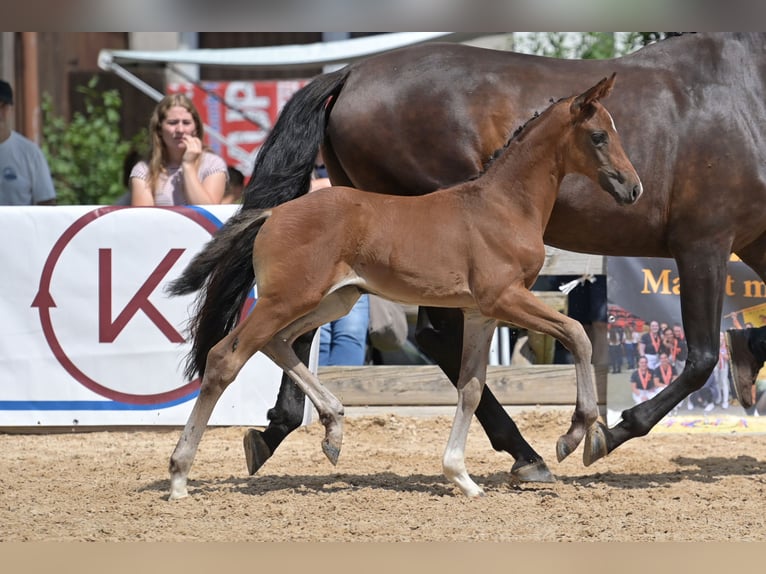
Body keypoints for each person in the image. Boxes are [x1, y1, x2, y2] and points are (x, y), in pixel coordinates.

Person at [308, 151, 370, 365]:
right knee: (319, 335)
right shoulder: (297, 161)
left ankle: (346, 396)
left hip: (354, 256)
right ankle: (318, 396)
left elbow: (363, 193)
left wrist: (318, 188)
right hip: (314, 258)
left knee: (351, 331)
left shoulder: (350, 156)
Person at [129, 93, 227, 206]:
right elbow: (143, 219)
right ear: (159, 128)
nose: (180, 129)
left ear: (195, 128)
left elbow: (208, 214)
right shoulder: (144, 170)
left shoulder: (213, 164)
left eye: (186, 123)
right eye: (172, 123)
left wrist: (188, 166)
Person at [0, 79, 56, 205]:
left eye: (3, 106)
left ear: (10, 109)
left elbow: (47, 203)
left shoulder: (30, 153)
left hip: (18, 225)